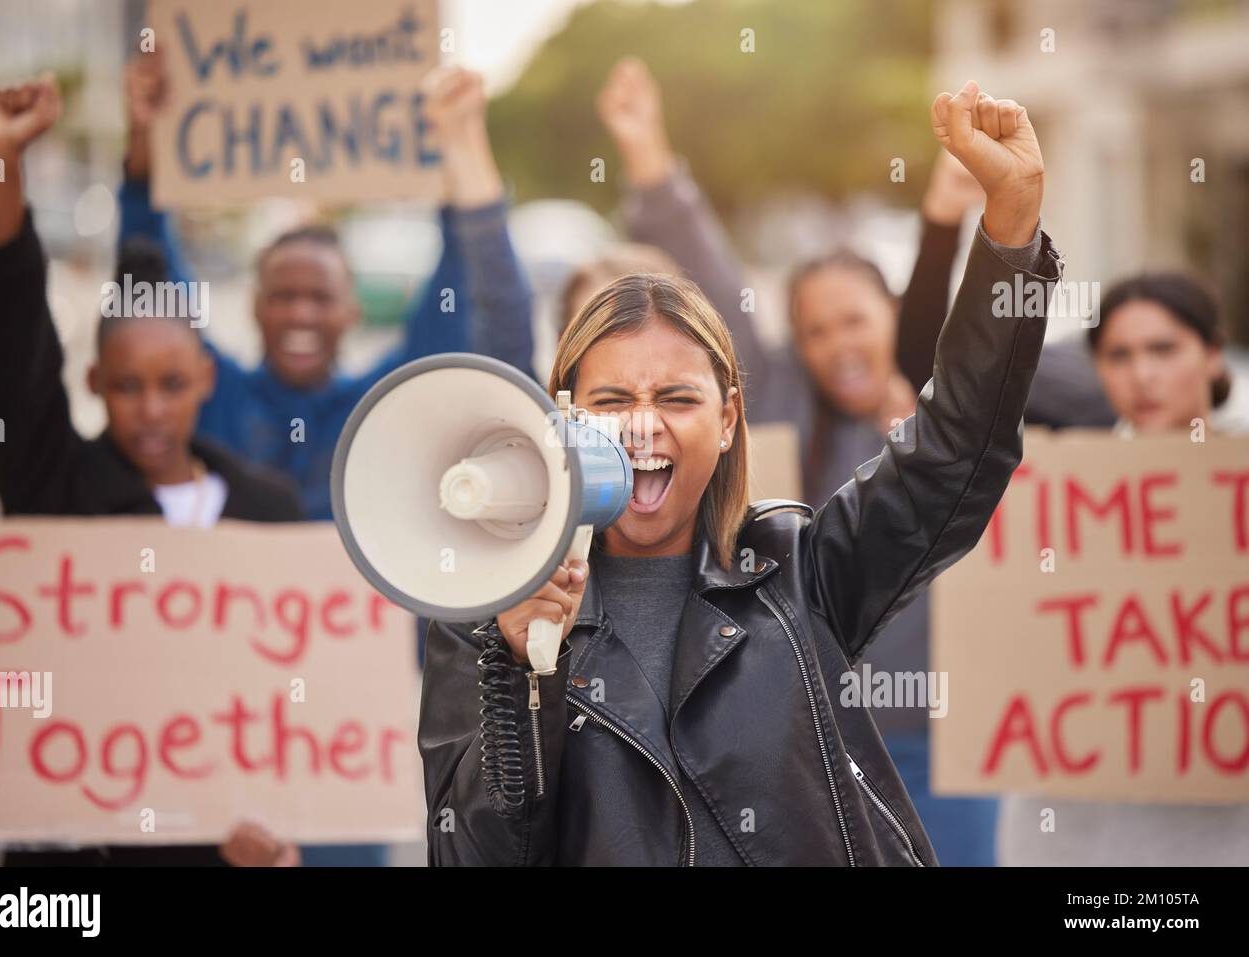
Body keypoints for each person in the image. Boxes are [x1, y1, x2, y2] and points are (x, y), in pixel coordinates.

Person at [419, 81, 1063, 865]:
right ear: (565, 416)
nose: (643, 424)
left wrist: (1012, 228)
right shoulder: (484, 618)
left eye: (678, 398)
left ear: (728, 420)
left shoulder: (799, 570)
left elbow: (959, 445)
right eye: (613, 398)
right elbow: (471, 853)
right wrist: (518, 671)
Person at [0, 73, 302, 867]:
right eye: (126, 386)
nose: (150, 409)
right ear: (92, 384)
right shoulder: (54, 488)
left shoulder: (269, 512)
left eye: (171, 384)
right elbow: (13, 339)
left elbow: (305, 702)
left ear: (207, 380)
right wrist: (4, 163)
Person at [118, 55, 535, 520]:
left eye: (320, 298)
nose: (301, 314)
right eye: (283, 296)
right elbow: (150, 292)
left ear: (351, 311)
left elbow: (469, 289)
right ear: (255, 307)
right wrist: (144, 149)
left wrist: (457, 146)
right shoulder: (209, 395)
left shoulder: (385, 405)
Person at [999, 272, 1249, 867]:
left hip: (1220, 827)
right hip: (1072, 832)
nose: (1143, 375)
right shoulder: (1051, 495)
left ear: (1212, 355)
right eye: (1119, 355)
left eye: (1164, 349)